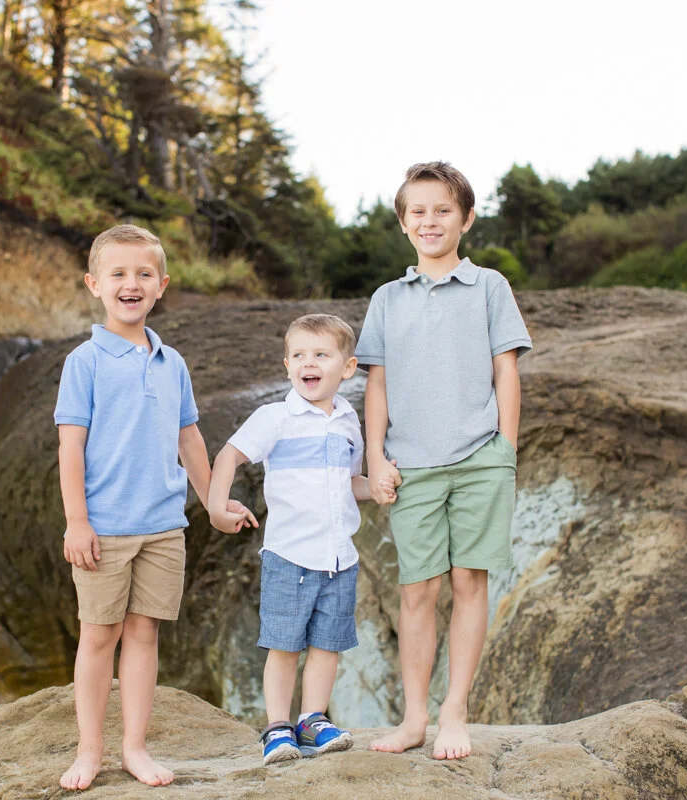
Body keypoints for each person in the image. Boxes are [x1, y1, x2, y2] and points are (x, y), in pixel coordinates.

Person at [55, 224, 256, 790]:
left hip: (164, 528)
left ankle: (135, 749)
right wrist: (77, 521)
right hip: (105, 528)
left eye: (144, 274)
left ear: (162, 285)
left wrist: (214, 504)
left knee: (144, 635)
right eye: (118, 273)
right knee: (98, 636)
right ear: (95, 284)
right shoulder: (84, 362)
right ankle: (88, 750)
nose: (131, 283)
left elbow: (189, 442)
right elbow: (70, 447)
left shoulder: (174, 364)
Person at [357, 162, 532, 761]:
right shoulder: (386, 299)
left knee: (468, 580)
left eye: (442, 210)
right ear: (404, 223)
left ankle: (455, 711)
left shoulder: (489, 287)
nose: (430, 220)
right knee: (418, 591)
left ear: (466, 218)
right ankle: (413, 718)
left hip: (482, 458)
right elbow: (375, 385)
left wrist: (505, 448)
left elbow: (506, 370)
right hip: (412, 465)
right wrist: (376, 456)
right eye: (418, 211)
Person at [208, 313, 390, 765]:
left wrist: (378, 486)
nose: (309, 363)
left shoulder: (349, 421)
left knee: (327, 644)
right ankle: (276, 727)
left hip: (339, 558)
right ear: (287, 364)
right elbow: (229, 454)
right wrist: (216, 505)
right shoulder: (276, 417)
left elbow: (350, 484)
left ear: (347, 368)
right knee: (285, 645)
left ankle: (312, 719)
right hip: (290, 555)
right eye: (299, 355)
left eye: (322, 355)